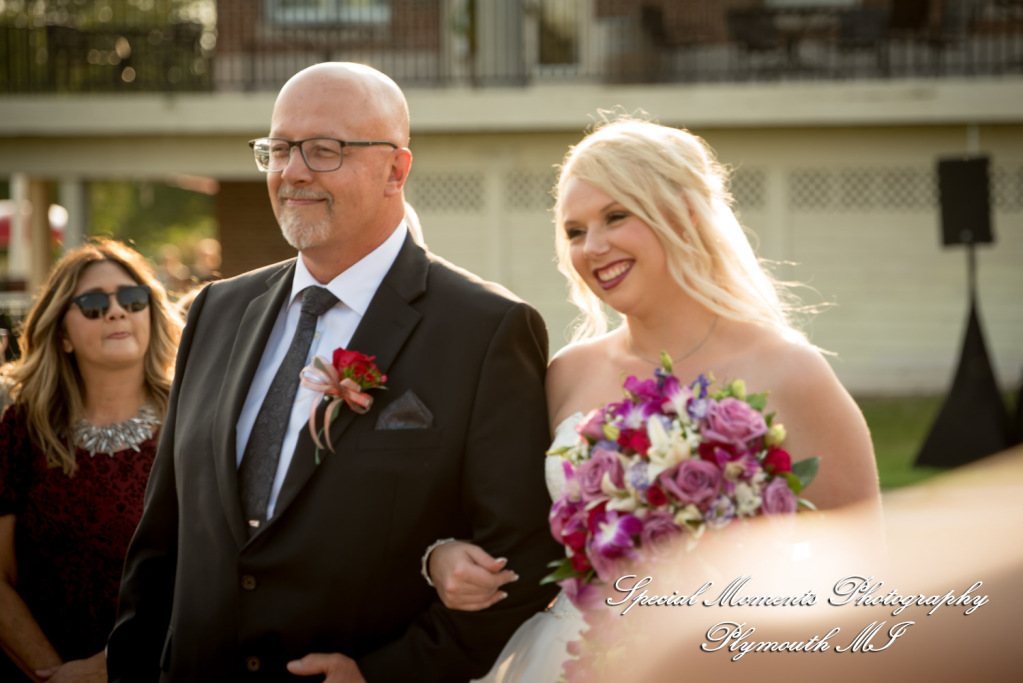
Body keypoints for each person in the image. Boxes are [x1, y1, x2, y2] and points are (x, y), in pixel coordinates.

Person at [106, 62, 559, 683]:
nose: (292, 172)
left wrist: (383, 675)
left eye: (324, 151)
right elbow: (163, 535)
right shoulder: (217, 311)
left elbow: (523, 561)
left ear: (396, 169)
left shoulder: (485, 331)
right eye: (280, 149)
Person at [426, 117, 883, 681]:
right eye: (574, 231)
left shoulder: (790, 372)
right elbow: (502, 531)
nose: (593, 247)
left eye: (616, 216)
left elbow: (862, 566)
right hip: (573, 659)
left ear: (686, 216)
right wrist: (442, 555)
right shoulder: (565, 375)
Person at [0, 238, 181, 682]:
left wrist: (107, 669)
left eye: (133, 299)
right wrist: (56, 674)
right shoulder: (24, 428)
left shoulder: (193, 422)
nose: (118, 311)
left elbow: (205, 574)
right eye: (94, 304)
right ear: (61, 334)